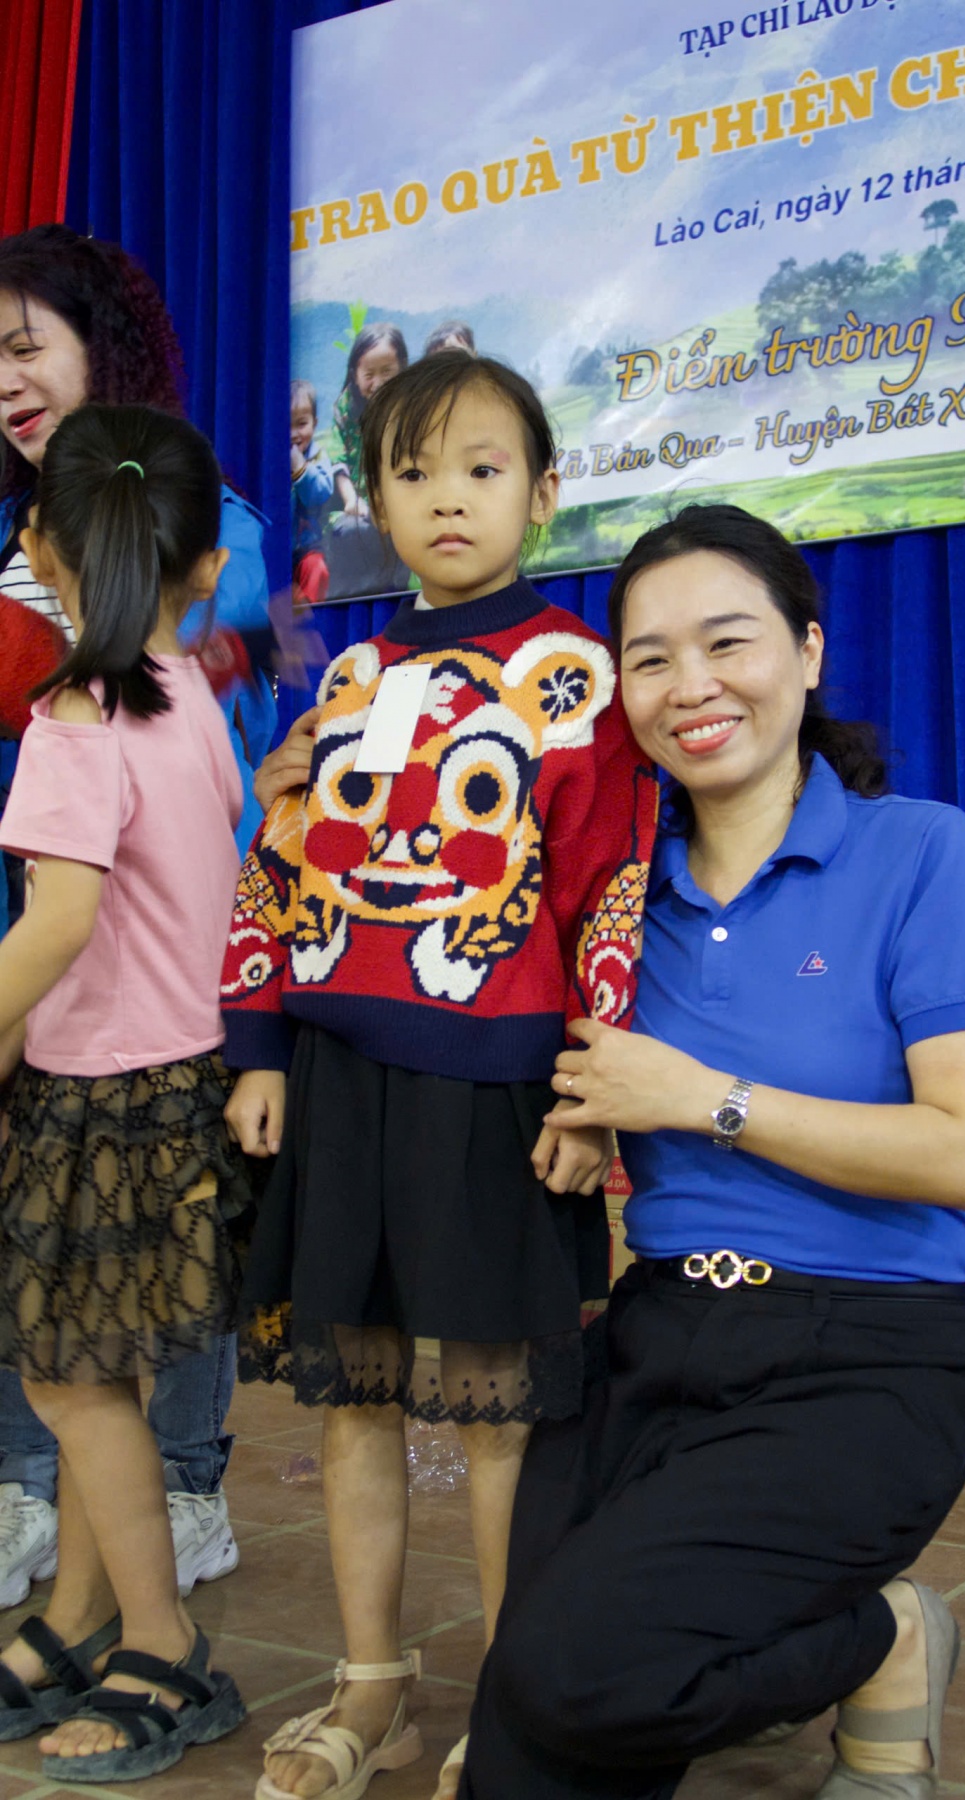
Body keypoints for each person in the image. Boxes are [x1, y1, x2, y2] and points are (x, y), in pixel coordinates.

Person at [454, 503, 965, 1800]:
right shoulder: (610, 891)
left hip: (868, 1352)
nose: (690, 686)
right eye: (648, 659)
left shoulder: (920, 854)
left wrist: (699, 1095)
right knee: (528, 1731)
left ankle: (881, 1638)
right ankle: (809, 1645)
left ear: (810, 651)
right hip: (654, 1339)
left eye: (729, 641)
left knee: (572, 1670)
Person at [222, 349, 657, 1800]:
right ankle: (371, 1689)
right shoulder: (350, 673)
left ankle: (512, 1696)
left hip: (499, 1096)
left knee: (497, 1421)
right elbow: (287, 867)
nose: (446, 499)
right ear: (376, 504)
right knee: (354, 1402)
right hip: (345, 1080)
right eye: (411, 473)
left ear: (544, 492)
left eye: (482, 469)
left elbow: (610, 891)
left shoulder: (579, 681)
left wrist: (593, 1099)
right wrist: (265, 1042)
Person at [0, 221, 269, 1606]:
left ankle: (157, 1641)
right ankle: (69, 1621)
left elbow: (52, 928)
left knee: (68, 1384)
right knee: (103, 1374)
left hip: (94, 1095)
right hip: (185, 1076)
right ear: (203, 566)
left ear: (42, 556)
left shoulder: (72, 719)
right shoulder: (194, 710)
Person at [326, 322, 409, 599]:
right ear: (355, 374)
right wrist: (352, 500)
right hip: (357, 503)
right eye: (369, 374)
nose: (378, 382)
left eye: (387, 372)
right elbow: (338, 461)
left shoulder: (413, 405)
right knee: (348, 534)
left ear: (403, 367)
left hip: (400, 498)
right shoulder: (346, 407)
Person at [290, 379, 333, 606]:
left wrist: (300, 471)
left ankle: (308, 614)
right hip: (278, 547)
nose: (294, 434)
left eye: (301, 424)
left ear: (315, 424)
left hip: (308, 546)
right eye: (286, 425)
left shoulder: (318, 457)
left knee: (317, 569)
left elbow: (321, 493)